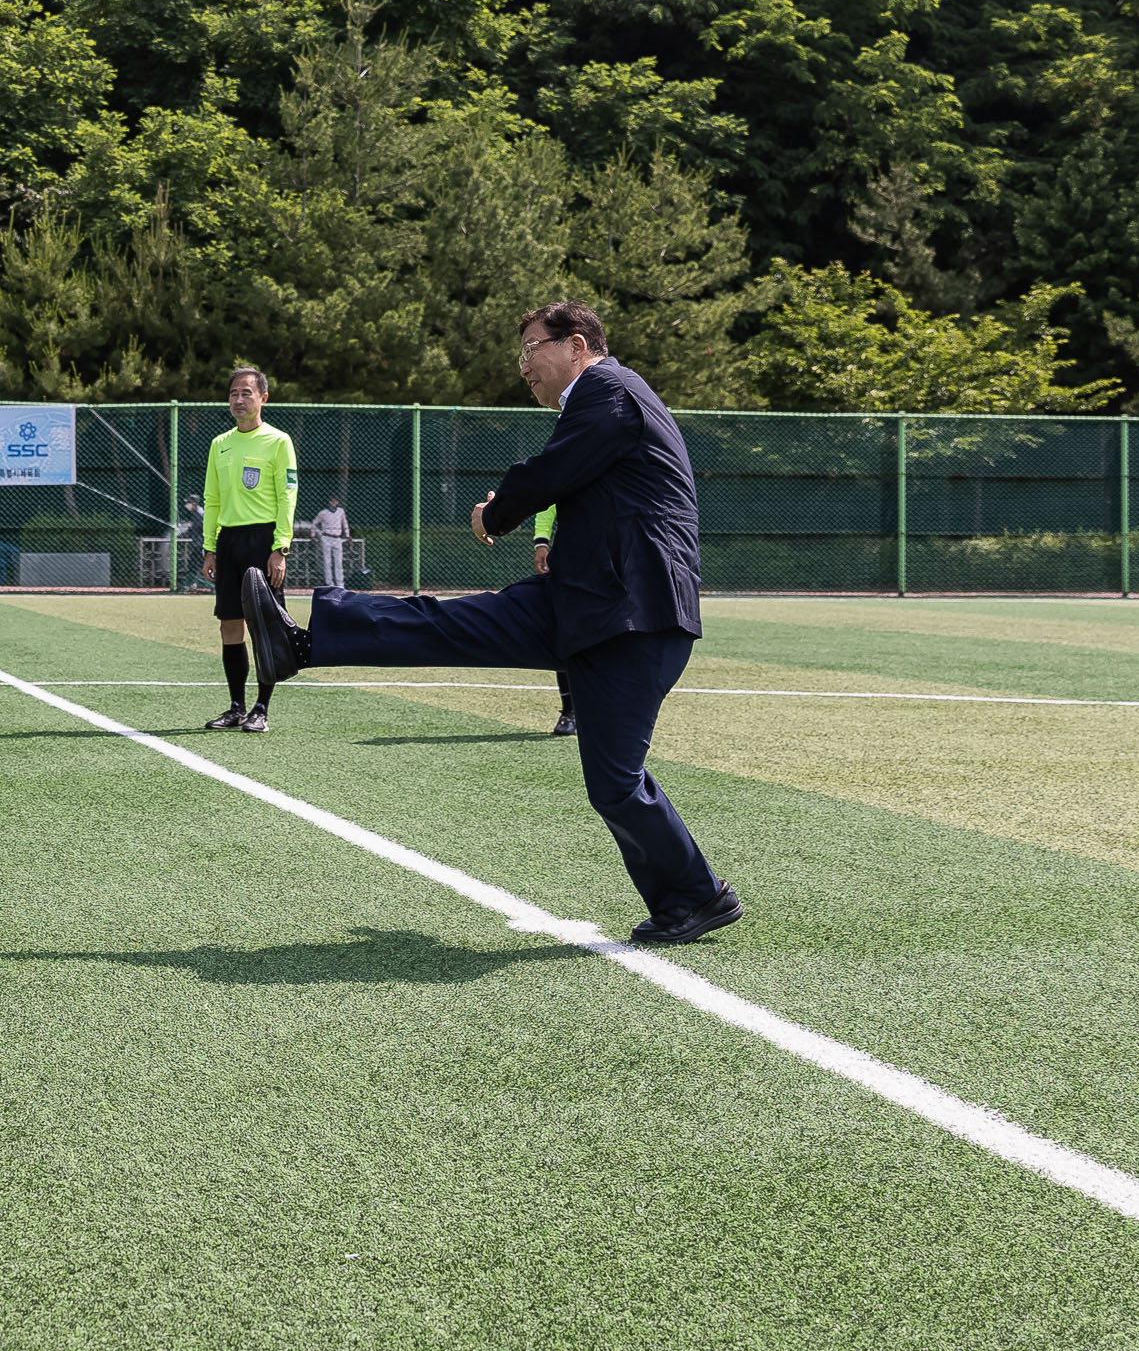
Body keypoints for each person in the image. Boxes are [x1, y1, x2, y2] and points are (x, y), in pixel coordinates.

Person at [239, 302, 739, 945]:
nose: (524, 364)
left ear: (578, 345)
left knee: (614, 783)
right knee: (449, 622)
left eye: (533, 347)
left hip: (634, 619)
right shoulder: (602, 401)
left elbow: (555, 471)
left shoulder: (611, 389)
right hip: (584, 601)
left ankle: (697, 897)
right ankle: (302, 643)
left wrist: (498, 510)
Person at [201, 367, 296, 733]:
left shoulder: (278, 441)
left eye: (246, 393)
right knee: (229, 625)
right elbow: (212, 499)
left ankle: (262, 708)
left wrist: (280, 548)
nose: (239, 400)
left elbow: (288, 496)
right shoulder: (219, 444)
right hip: (228, 542)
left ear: (263, 398)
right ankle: (236, 706)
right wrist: (210, 548)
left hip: (263, 542)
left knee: (264, 627)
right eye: (233, 394)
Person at [533, 506, 576, 737]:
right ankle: (570, 711)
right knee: (565, 632)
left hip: (618, 557)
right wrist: (541, 542)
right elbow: (548, 503)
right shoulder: (569, 469)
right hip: (570, 559)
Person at [310, 496, 351, 589]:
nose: (333, 503)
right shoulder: (323, 513)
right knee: (327, 561)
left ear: (337, 502)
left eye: (335, 501)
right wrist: (314, 535)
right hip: (326, 536)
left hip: (337, 538)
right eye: (332, 501)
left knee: (338, 562)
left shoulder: (341, 511)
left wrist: (347, 534)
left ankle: (340, 584)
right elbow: (314, 523)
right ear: (329, 502)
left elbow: (345, 523)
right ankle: (329, 583)